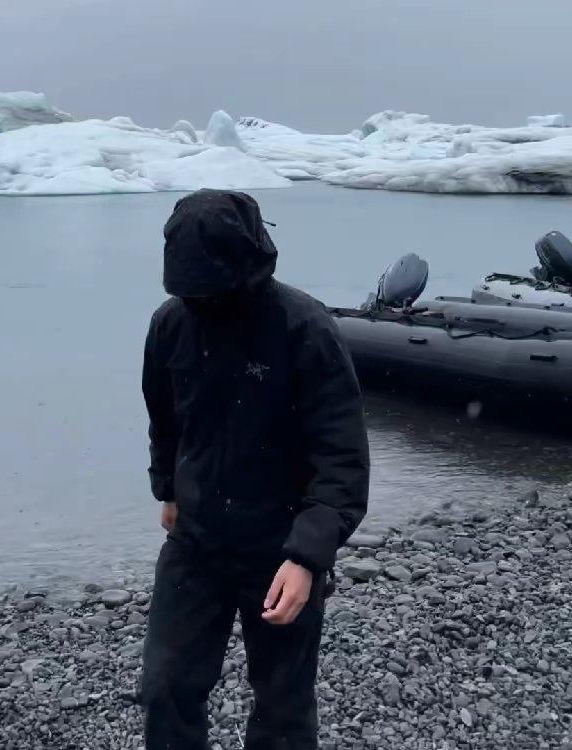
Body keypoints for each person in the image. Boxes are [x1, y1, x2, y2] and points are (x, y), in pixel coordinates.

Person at [141, 188, 370, 750]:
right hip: (196, 542)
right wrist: (168, 489)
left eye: (209, 293)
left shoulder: (305, 330)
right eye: (189, 293)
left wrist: (307, 556)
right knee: (165, 688)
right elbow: (164, 418)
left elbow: (342, 459)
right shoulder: (170, 325)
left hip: (279, 546)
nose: (200, 303)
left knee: (282, 706)